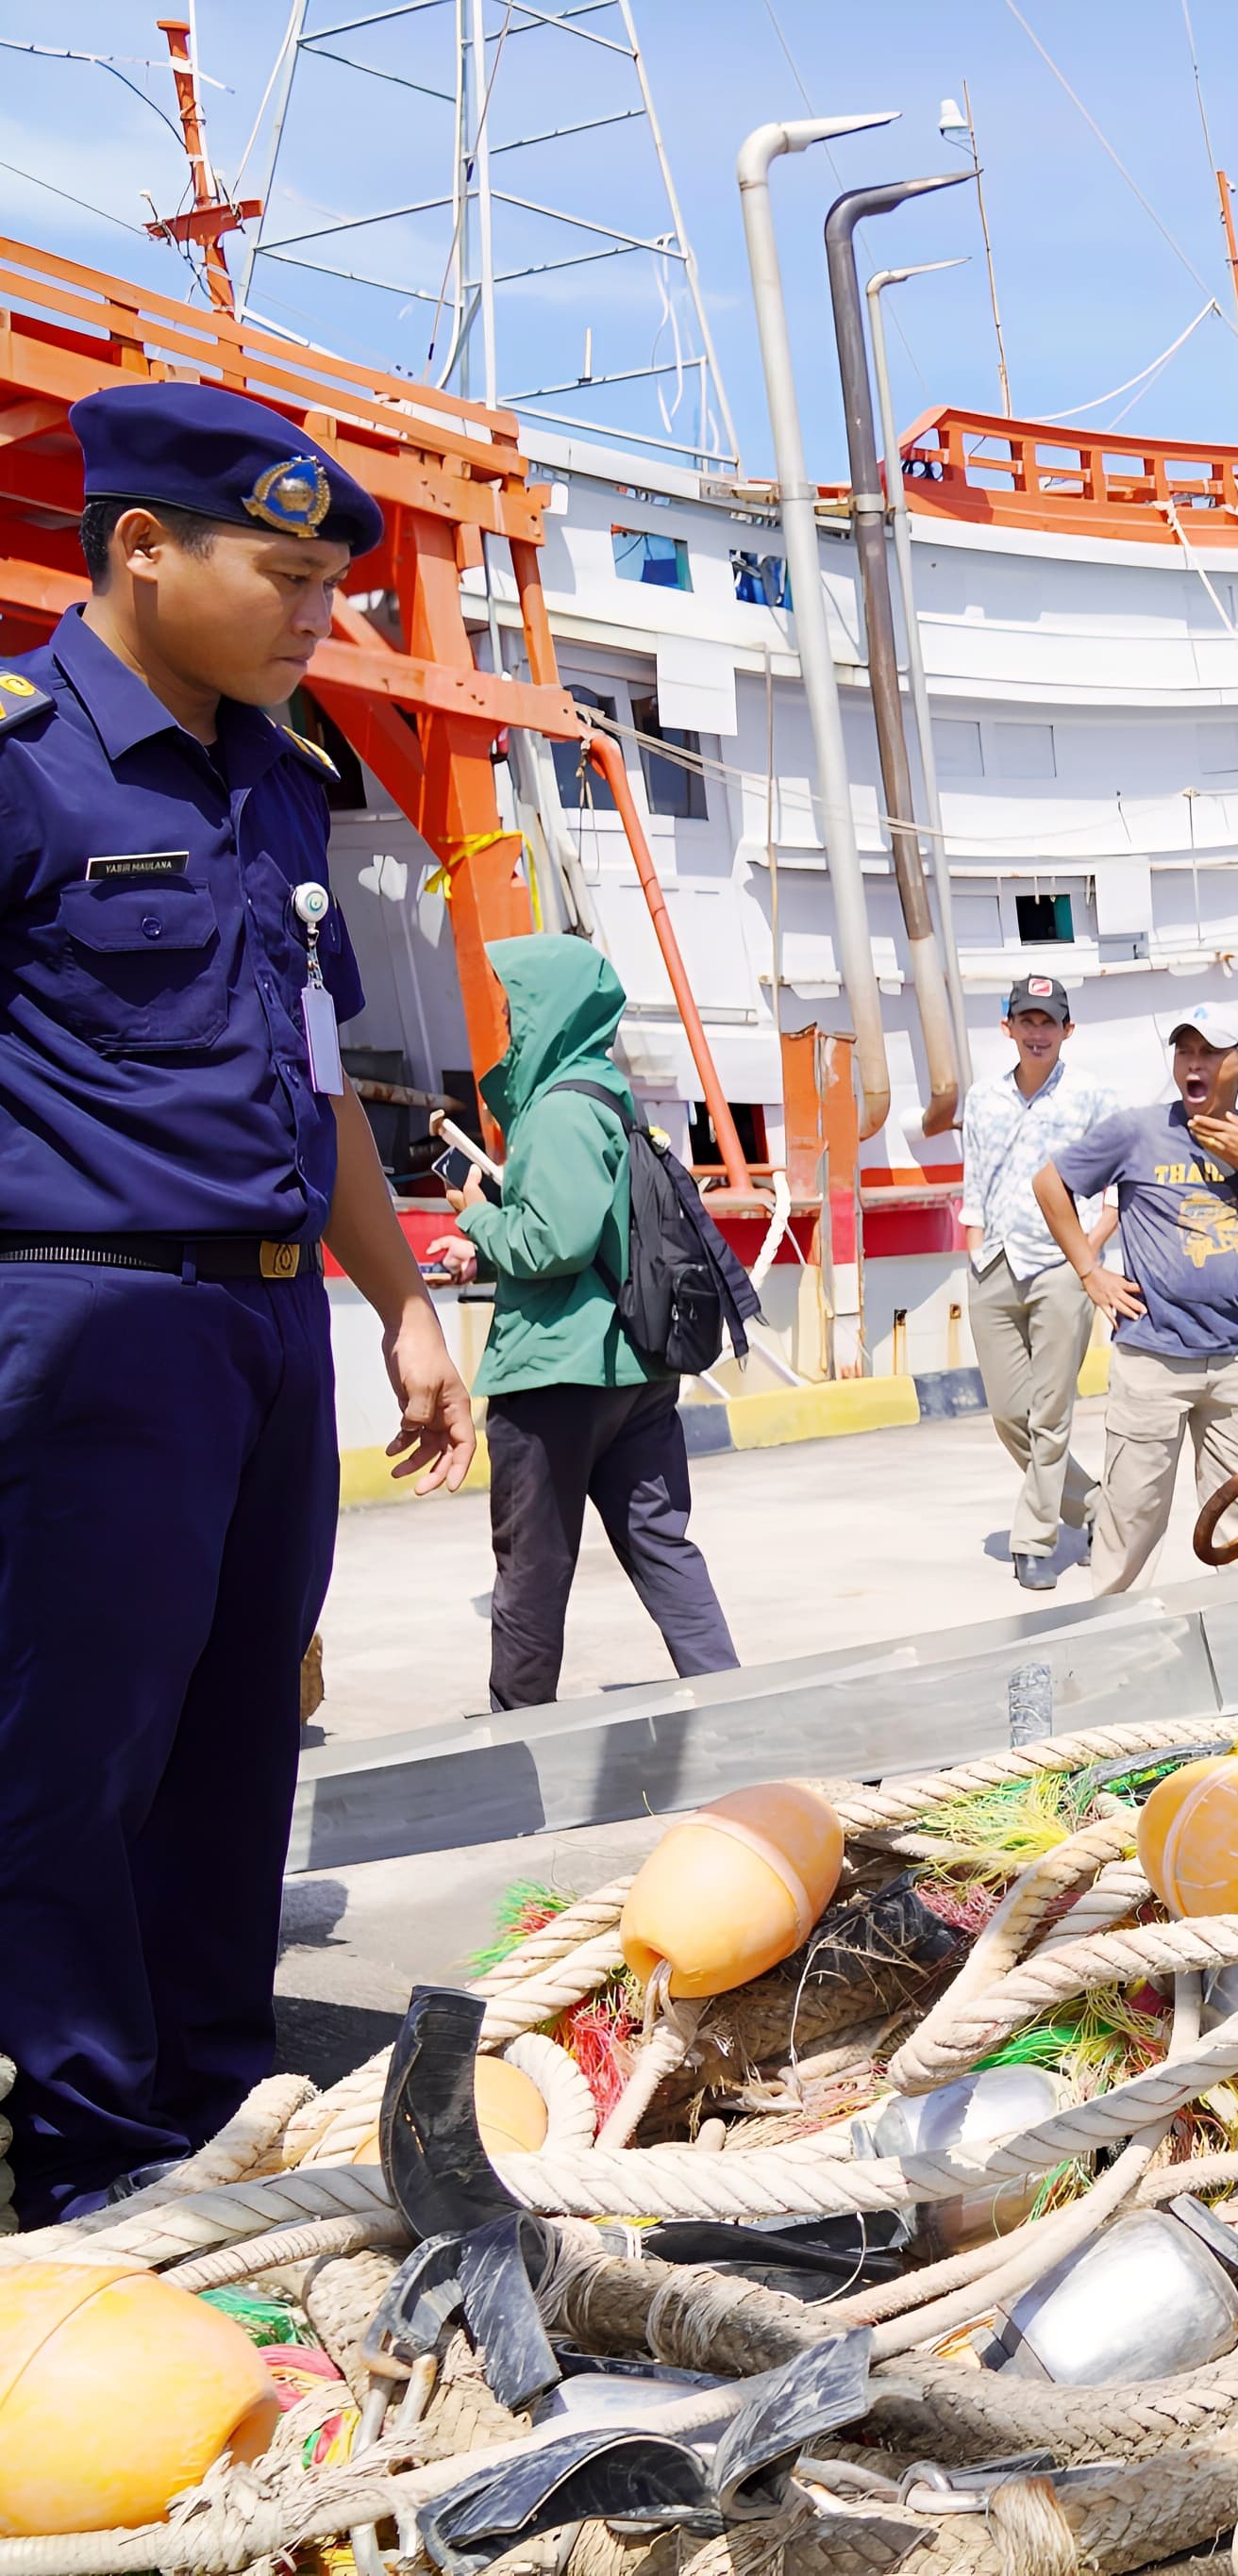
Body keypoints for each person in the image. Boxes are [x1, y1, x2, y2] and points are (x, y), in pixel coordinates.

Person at [0, 381, 474, 2221]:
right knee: (69, 1748)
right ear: (141, 549)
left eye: (331, 585)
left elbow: (315, 1071)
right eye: (285, 576)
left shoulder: (281, 778)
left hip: (267, 1333)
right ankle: (85, 2152)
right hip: (82, 1323)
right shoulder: (25, 762)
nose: (318, 615)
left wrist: (401, 1304)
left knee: (233, 1736)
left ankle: (212, 2096)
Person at [425, 935, 742, 1708]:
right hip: (636, 1370)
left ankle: (518, 1736)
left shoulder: (557, 1110)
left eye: (515, 1006)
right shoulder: (609, 1096)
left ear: (548, 1010)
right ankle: (733, 1700)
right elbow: (592, 1231)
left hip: (556, 1379)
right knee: (664, 1549)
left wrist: (475, 1220)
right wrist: (487, 1252)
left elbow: (551, 1241)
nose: (508, 1022)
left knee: (533, 1569)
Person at [1037, 1011, 1238, 1594]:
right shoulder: (1137, 1131)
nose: (1195, 1063)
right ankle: (1112, 1639)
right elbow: (1050, 1183)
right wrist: (1091, 1274)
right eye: (1184, 1051)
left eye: (1211, 1053)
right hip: (1153, 1360)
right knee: (1132, 1516)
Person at [959, 970, 1116, 1591]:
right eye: (1027, 1020)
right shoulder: (983, 1097)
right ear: (1008, 1027)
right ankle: (1096, 1505)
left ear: (1067, 1030)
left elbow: (1116, 1192)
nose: (1037, 1032)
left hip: (1061, 1269)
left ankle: (1034, 1540)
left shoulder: (1093, 1098)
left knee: (1051, 1409)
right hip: (994, 1263)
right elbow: (976, 1177)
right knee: (1009, 1413)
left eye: (1048, 1021)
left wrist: (1087, 1252)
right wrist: (972, 1243)